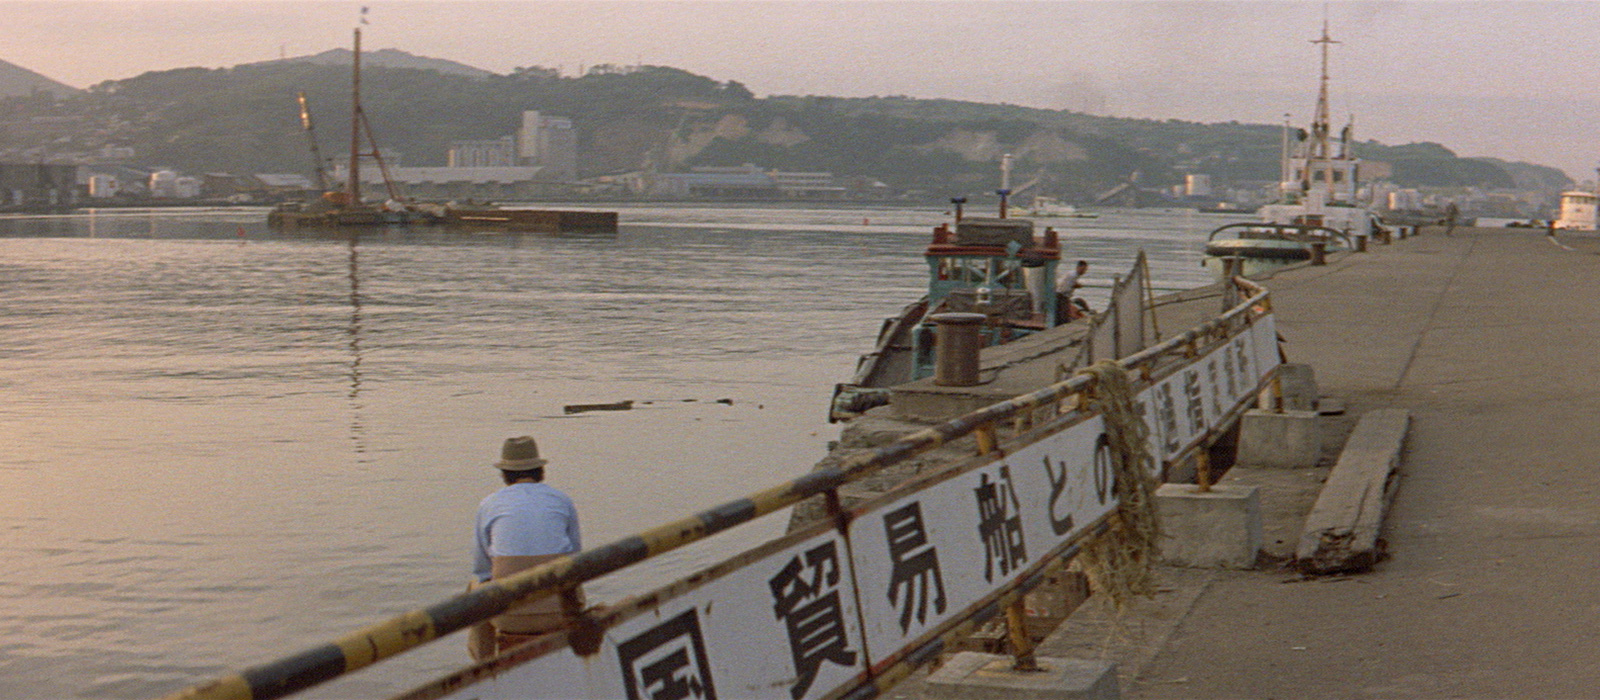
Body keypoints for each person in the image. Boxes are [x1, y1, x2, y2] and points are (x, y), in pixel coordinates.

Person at [468, 435, 584, 660]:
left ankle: (484, 663)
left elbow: (482, 569)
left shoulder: (489, 504)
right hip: (562, 611)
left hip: (508, 616)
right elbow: (576, 558)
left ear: (504, 474)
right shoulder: (561, 500)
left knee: (475, 587)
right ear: (540, 471)